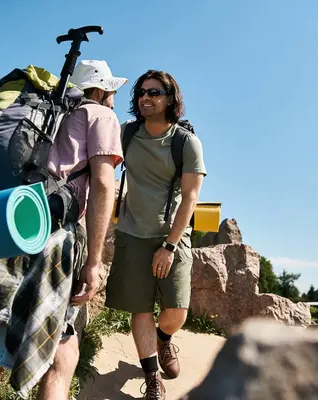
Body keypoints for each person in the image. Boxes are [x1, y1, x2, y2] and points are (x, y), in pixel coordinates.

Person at [0, 60, 127, 400]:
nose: (114, 99)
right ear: (101, 90)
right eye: (112, 92)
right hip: (53, 240)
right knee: (43, 362)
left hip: (12, 228)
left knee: (39, 354)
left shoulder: (48, 114)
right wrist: (94, 264)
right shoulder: (101, 115)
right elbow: (104, 185)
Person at [105, 70, 206, 399]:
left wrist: (169, 245)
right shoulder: (127, 133)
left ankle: (164, 341)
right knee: (141, 308)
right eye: (141, 93)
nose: (145, 98)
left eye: (154, 93)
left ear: (170, 98)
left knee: (177, 310)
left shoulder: (185, 142)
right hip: (132, 233)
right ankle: (152, 378)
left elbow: (190, 197)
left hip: (171, 236)